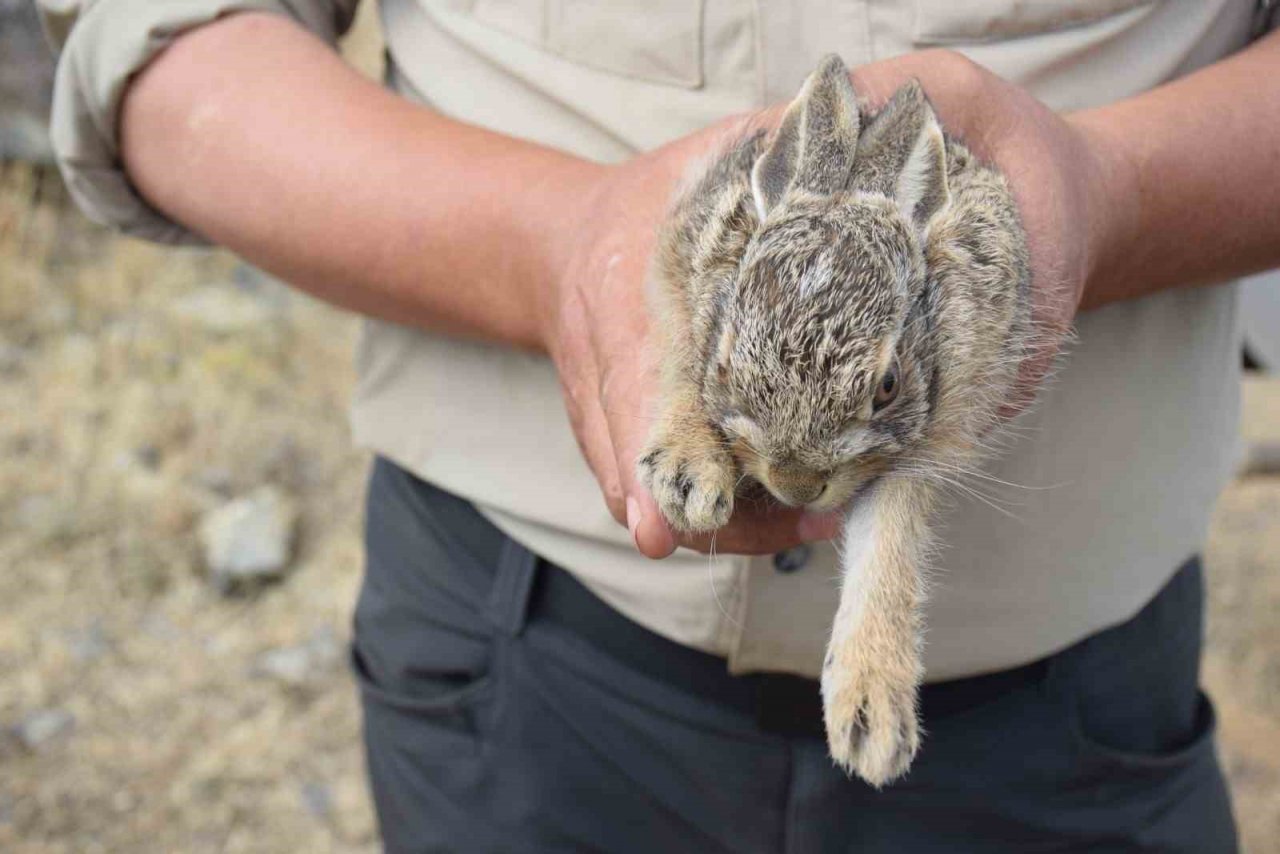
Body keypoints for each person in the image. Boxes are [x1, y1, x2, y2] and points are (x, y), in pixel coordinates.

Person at [44, 1, 1280, 851]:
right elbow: (154, 41)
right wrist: (553, 251)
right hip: (518, 636)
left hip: (1065, 694)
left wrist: (1107, 195)